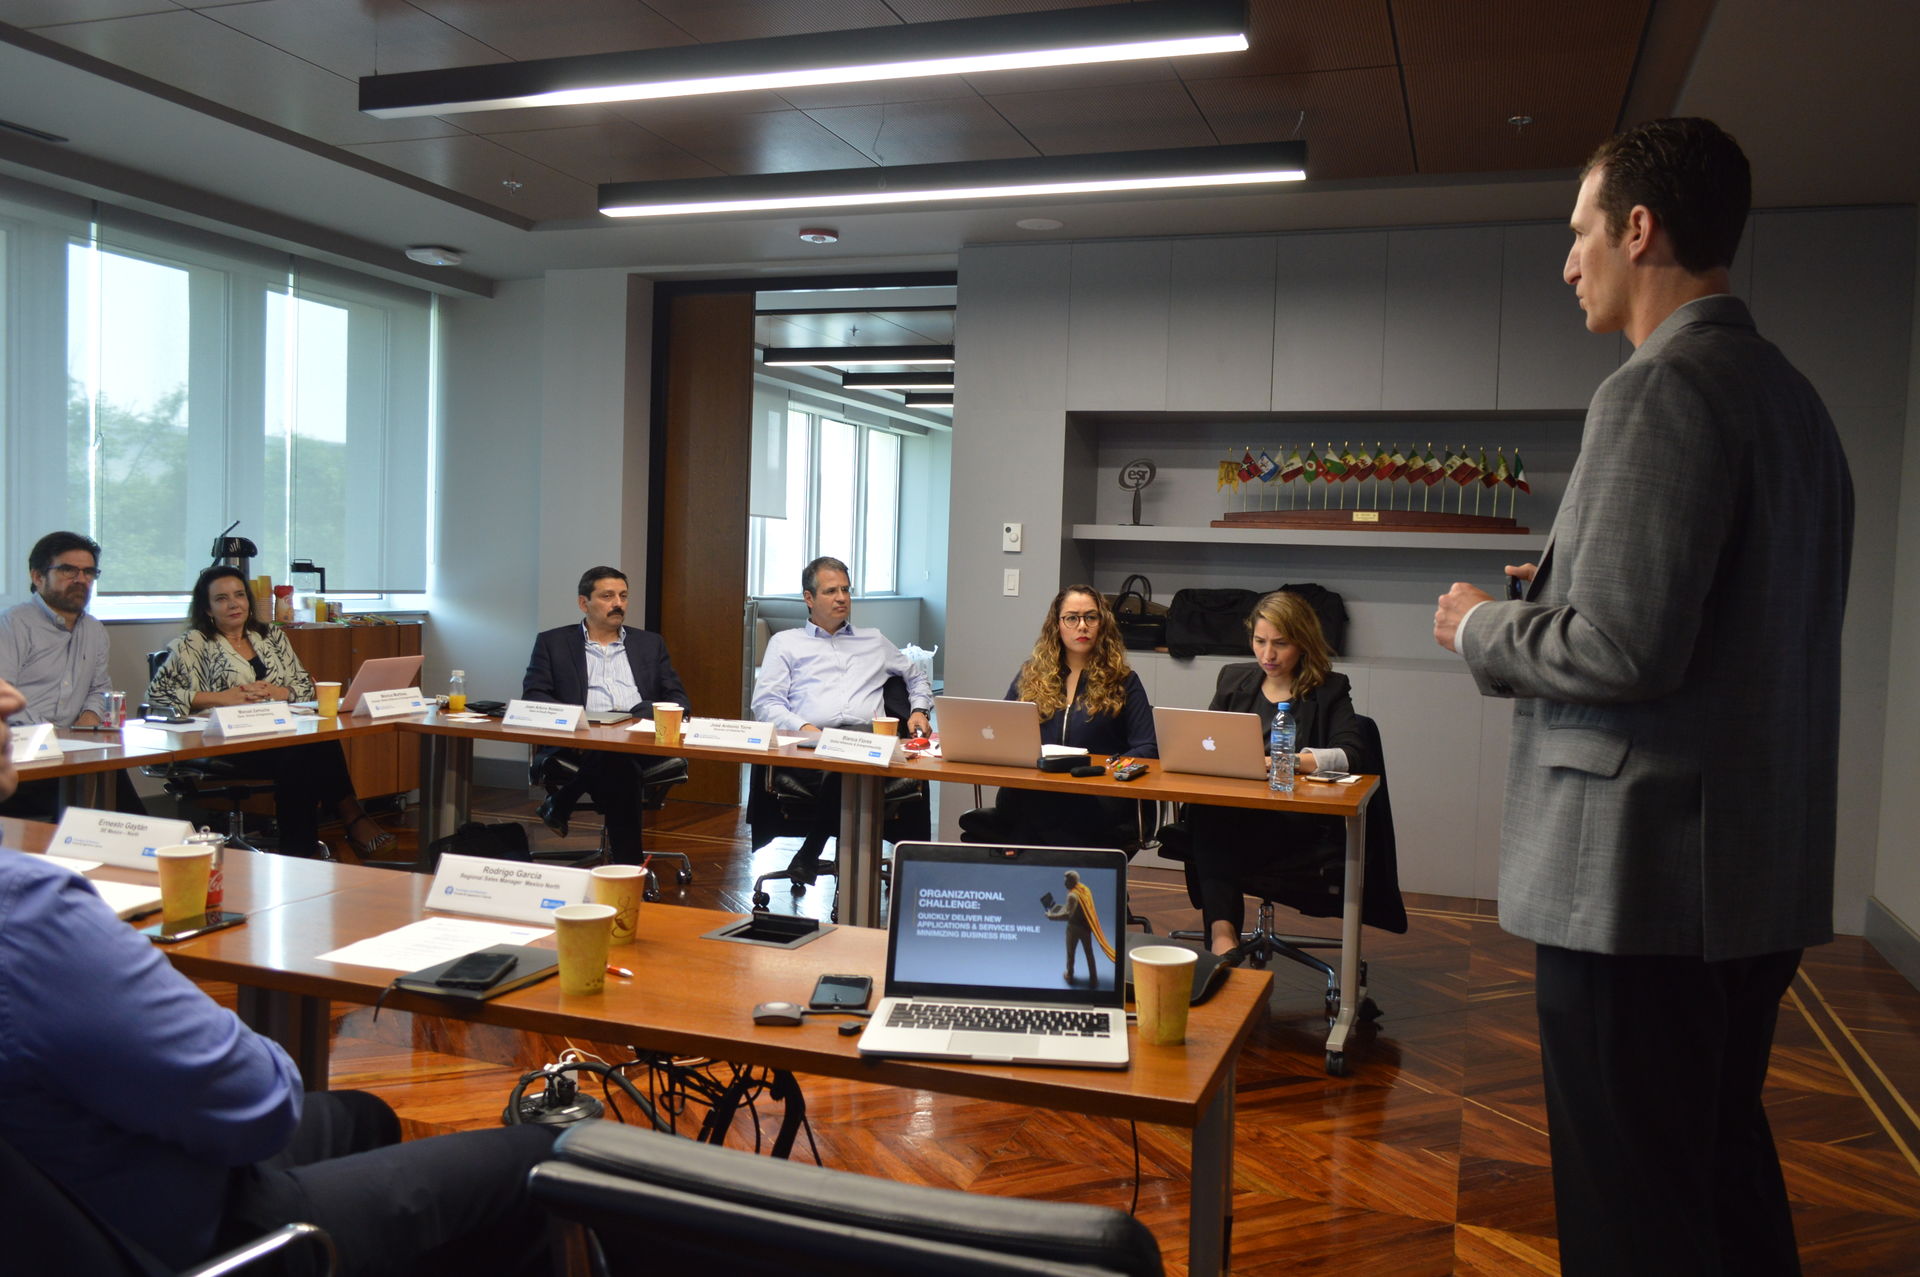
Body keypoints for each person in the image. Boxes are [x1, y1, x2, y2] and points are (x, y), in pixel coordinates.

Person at [1433, 118, 1853, 1277]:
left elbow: (1624, 649)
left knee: (1633, 1213)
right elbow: (1720, 629)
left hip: (1642, 890)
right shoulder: (1798, 405)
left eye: (1579, 234)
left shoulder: (1655, 388)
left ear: (1638, 227)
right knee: (1718, 1174)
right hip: (1750, 881)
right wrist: (1559, 591)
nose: (1569, 262)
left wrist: (1484, 624)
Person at [0, 672, 567, 1277]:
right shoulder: (28, 911)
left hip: (61, 1204)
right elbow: (258, 1104)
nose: (12, 697)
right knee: (542, 1157)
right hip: (184, 1230)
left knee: (362, 1116)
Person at [147, 565, 396, 859]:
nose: (234, 603)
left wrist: (284, 692)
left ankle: (305, 850)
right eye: (222, 598)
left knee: (309, 747)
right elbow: (157, 697)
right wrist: (221, 698)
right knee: (303, 754)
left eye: (239, 595)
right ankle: (344, 825)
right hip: (223, 741)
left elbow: (305, 686)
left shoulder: (271, 637)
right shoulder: (192, 644)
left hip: (278, 733)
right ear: (207, 608)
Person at [1184, 590, 1365, 959]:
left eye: (1280, 644)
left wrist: (1288, 761)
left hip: (1294, 821)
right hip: (1232, 812)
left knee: (1210, 823)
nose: (1268, 655)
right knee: (1206, 811)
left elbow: (1352, 754)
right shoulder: (1234, 682)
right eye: (1260, 641)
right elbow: (1210, 740)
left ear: (1302, 642)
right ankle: (1223, 935)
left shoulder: (1329, 689)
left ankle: (1221, 937)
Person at [749, 556, 932, 885]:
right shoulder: (786, 644)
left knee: (855, 745)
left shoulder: (873, 640)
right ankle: (818, 854)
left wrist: (919, 709)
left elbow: (917, 677)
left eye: (846, 590)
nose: (842, 598)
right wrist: (808, 731)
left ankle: (809, 852)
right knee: (845, 754)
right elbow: (766, 703)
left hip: (870, 743)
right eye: (831, 591)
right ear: (809, 598)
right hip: (810, 749)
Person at [964, 586, 1155, 848]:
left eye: (1091, 617)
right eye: (1072, 618)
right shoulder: (1031, 674)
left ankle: (1025, 872)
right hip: (1033, 789)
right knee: (1035, 804)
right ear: (1057, 625)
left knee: (1035, 821)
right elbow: (1002, 730)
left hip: (1095, 793)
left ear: (1103, 624)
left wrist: (1110, 766)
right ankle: (1078, 880)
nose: (1082, 626)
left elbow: (1147, 745)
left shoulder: (1124, 681)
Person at [522, 565, 689, 863]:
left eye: (623, 596)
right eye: (608, 596)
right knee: (617, 762)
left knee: (618, 757)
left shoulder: (650, 644)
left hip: (642, 741)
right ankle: (628, 866)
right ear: (583, 603)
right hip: (579, 742)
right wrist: (578, 719)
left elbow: (679, 700)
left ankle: (563, 801)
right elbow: (534, 697)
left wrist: (641, 713)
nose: (618, 603)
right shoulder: (553, 643)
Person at [0, 531, 144, 817]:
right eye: (68, 570)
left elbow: (99, 689)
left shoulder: (93, 629)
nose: (81, 579)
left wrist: (88, 722)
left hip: (72, 752)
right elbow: (5, 699)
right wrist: (52, 738)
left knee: (115, 784)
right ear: (38, 576)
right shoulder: (12, 624)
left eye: (89, 571)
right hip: (22, 756)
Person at [1044, 868, 1115, 985]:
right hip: (1086, 927)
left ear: (1071, 882)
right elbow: (1075, 909)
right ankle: (1093, 978)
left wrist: (1051, 916)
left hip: (1074, 929)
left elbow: (1068, 915)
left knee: (1071, 953)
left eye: (1066, 881)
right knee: (1089, 953)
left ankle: (1069, 975)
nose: (1064, 883)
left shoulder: (1072, 895)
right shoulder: (1083, 890)